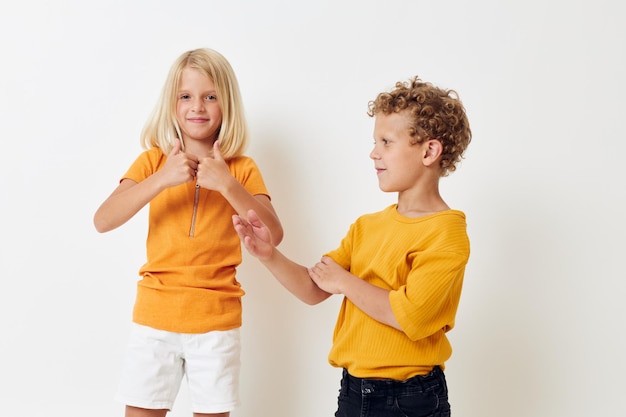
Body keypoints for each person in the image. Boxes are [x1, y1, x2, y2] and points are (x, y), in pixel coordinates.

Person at [233, 76, 472, 417]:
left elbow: (409, 315)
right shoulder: (367, 227)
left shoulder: (445, 233)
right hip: (353, 391)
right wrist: (269, 255)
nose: (374, 153)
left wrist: (345, 282)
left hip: (409, 398)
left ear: (429, 151)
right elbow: (314, 288)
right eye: (376, 141)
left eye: (387, 142)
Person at [93, 48, 283, 417]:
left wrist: (228, 185)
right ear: (172, 103)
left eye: (210, 96)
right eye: (186, 96)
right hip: (155, 317)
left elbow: (273, 234)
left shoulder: (241, 169)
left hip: (216, 322)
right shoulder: (152, 160)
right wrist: (162, 178)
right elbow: (103, 220)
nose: (198, 106)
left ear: (226, 103)